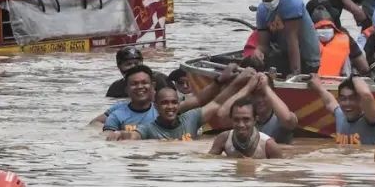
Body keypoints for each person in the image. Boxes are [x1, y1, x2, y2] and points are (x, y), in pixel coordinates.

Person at [108, 68, 251, 141]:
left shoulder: (191, 118)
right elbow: (133, 136)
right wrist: (119, 134)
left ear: (179, 104)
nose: (170, 107)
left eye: (173, 103)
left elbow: (216, 102)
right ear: (156, 107)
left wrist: (239, 82)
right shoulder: (148, 129)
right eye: (164, 103)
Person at [250, 0, 321, 75]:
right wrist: (258, 51)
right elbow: (263, 45)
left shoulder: (292, 0)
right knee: (249, 65)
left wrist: (295, 76)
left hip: (307, 60)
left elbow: (293, 41)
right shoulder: (262, 10)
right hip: (283, 56)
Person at [308, 74, 375, 145]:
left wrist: (354, 76)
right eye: (343, 99)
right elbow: (329, 102)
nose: (347, 103)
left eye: (352, 98)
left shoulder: (372, 117)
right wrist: (319, 87)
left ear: (360, 100)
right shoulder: (340, 115)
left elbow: (366, 94)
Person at [309, 0, 370, 77]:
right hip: (339, 85)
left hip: (310, 84)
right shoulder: (345, 37)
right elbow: (364, 68)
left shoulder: (302, 37)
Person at [209, 96, 283, 159]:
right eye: (236, 120)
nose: (241, 125)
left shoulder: (269, 145)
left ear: (255, 120)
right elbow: (208, 162)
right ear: (231, 120)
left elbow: (278, 174)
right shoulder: (223, 139)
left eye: (246, 119)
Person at [98, 65, 159, 131]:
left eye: (144, 83)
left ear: (153, 86)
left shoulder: (162, 112)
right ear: (126, 89)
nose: (140, 87)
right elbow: (106, 135)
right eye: (134, 84)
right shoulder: (117, 115)